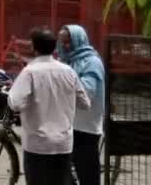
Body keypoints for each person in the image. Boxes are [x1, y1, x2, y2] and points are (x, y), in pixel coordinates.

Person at [8, 29, 91, 185]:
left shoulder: (29, 72)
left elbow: (15, 103)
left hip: (37, 145)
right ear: (54, 47)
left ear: (34, 48)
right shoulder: (69, 72)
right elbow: (85, 103)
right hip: (63, 144)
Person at [59, 25, 105, 185]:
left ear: (79, 40)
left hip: (86, 127)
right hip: (68, 125)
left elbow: (88, 92)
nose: (65, 46)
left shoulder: (92, 62)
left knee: (88, 175)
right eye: (63, 42)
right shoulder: (65, 61)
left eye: (69, 42)